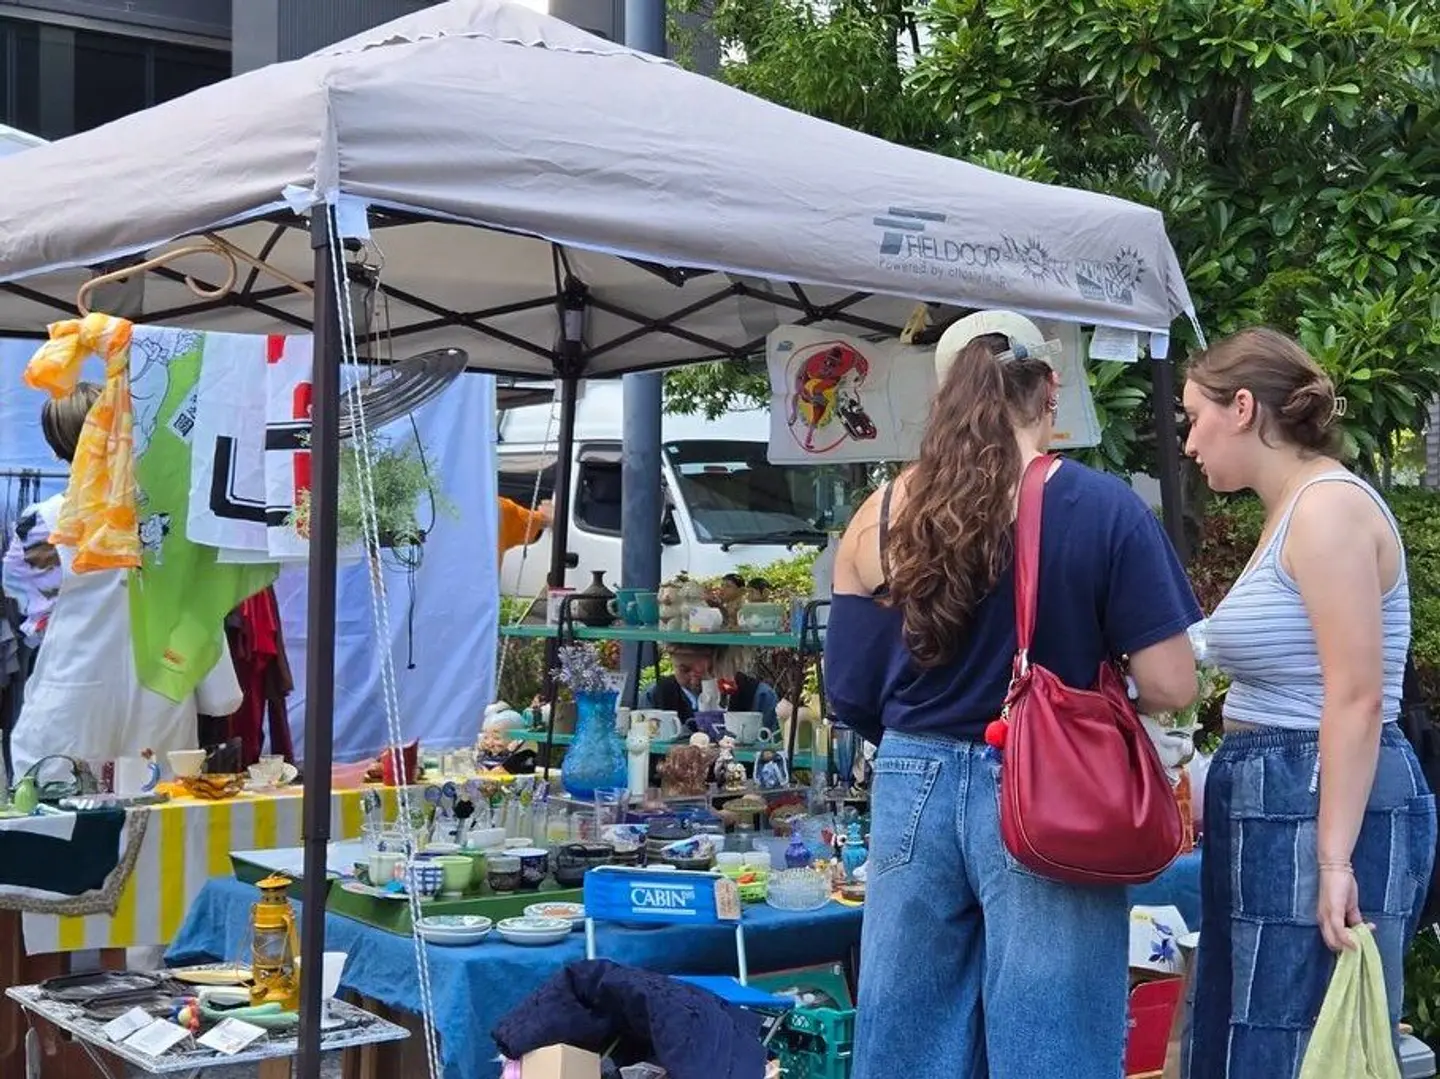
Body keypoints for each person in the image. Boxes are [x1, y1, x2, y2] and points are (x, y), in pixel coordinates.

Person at [823, 310, 1200, 1079]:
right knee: (1051, 1045)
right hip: (1053, 788)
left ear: (946, 393)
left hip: (911, 781)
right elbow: (1171, 683)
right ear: (1050, 389)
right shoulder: (1102, 508)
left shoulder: (881, 513)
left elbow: (849, 690)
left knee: (908, 1043)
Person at [1183, 328, 1435, 1078]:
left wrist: (1334, 859)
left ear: (1241, 408)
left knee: (1297, 1041)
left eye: (1193, 418)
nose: (1188, 443)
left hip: (1317, 793)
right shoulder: (1293, 508)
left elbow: (1356, 696)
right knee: (1257, 1030)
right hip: (1283, 790)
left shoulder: (1327, 509)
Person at [9, 385, 242, 778]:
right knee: (156, 807)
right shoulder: (173, 522)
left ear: (57, 450)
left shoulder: (40, 527)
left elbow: (30, 622)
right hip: (161, 696)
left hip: (72, 696)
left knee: (62, 807)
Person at [639, 644, 779, 734]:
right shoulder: (655, 695)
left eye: (709, 670)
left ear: (725, 662)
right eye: (684, 670)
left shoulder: (759, 696)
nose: (695, 681)